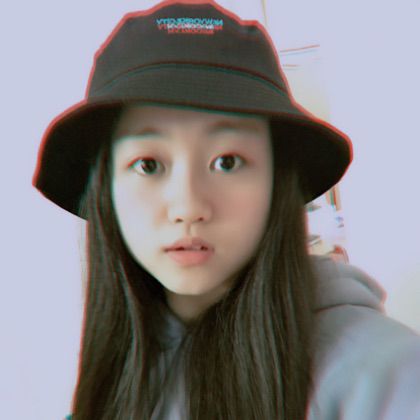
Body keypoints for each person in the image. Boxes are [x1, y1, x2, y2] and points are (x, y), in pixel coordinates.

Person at [33, 1, 420, 419]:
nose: (188, 207)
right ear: (106, 188)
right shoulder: (112, 381)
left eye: (228, 162)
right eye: (148, 165)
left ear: (276, 181)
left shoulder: (381, 375)